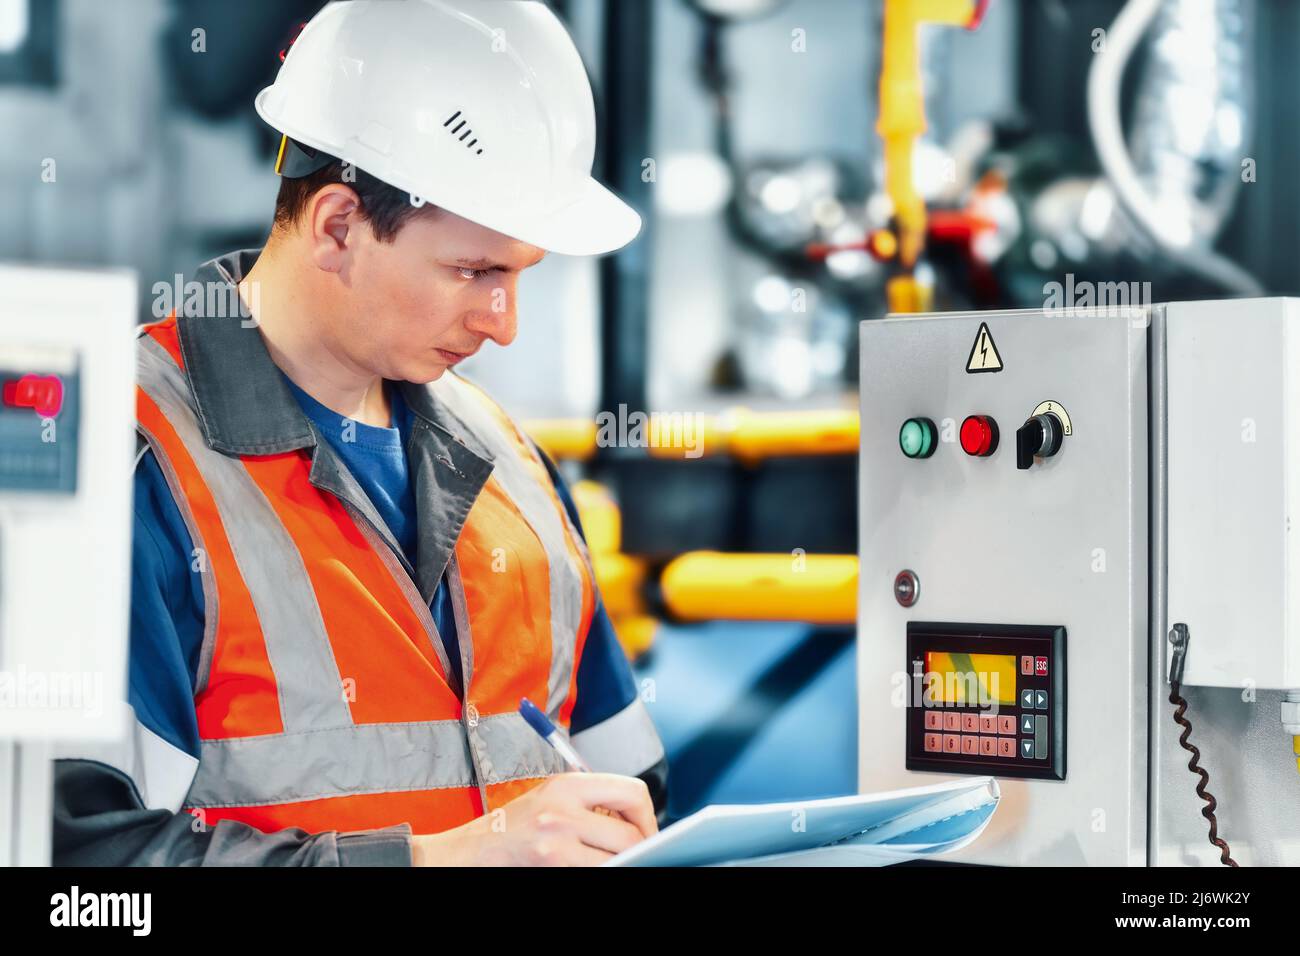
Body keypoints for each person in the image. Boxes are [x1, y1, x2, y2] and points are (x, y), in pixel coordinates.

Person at [54, 0, 666, 867]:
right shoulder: (121, 462)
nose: (505, 324)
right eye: (475, 271)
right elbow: (88, 881)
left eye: (521, 274)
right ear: (337, 225)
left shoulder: (509, 464)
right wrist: (441, 860)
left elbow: (630, 794)